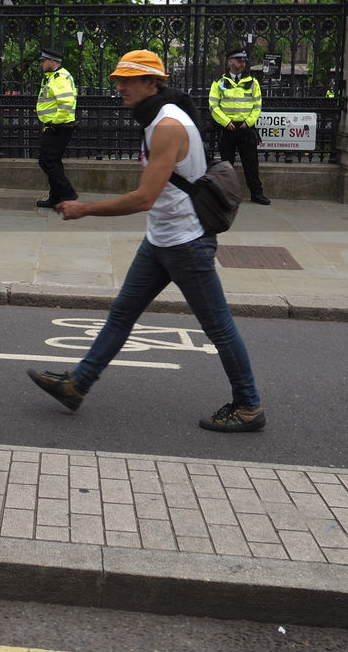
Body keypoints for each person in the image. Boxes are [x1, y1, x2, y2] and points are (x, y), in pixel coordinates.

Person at [26, 49, 265, 433]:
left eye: (127, 81)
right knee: (122, 313)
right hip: (163, 238)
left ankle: (249, 405)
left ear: (151, 83)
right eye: (118, 79)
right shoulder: (156, 118)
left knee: (218, 326)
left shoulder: (168, 125)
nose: (118, 87)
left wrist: (83, 209)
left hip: (187, 241)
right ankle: (78, 385)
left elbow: (144, 198)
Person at [209, 47, 270, 205]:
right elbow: (213, 106)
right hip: (227, 129)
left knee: (251, 164)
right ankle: (225, 196)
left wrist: (248, 122)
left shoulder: (252, 82)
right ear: (230, 62)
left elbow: (257, 106)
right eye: (239, 60)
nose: (243, 63)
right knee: (226, 166)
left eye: (244, 61)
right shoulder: (219, 82)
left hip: (246, 129)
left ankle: (257, 194)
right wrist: (225, 122)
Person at [34, 45, 78, 209]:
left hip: (59, 127)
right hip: (56, 127)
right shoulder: (54, 76)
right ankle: (56, 197)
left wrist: (54, 122)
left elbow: (66, 104)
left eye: (42, 61)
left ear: (51, 61)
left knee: (46, 161)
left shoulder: (59, 78)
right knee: (53, 161)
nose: (40, 64)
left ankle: (67, 194)